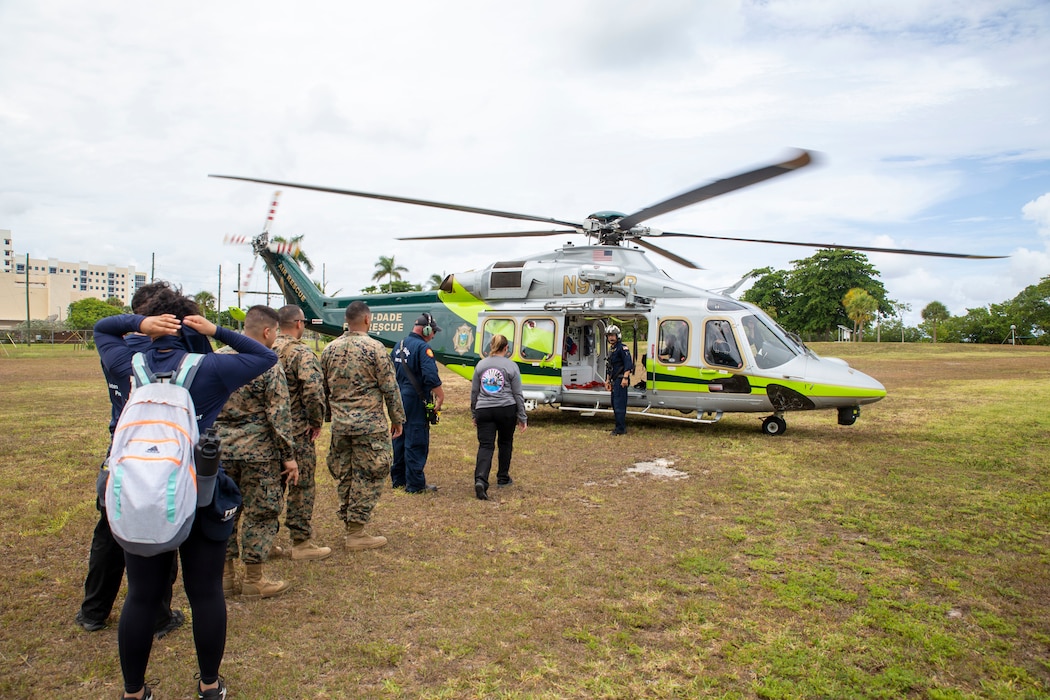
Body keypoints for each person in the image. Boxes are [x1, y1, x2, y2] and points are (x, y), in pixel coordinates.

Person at [95, 285, 278, 700]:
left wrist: (136, 324)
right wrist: (217, 330)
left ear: (153, 325)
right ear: (189, 324)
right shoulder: (210, 369)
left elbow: (103, 329)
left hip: (142, 489)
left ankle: (134, 692)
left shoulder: (126, 363)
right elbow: (265, 356)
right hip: (200, 489)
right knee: (206, 592)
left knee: (141, 596)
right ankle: (209, 685)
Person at [76, 282, 200, 638]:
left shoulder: (118, 351)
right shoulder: (161, 355)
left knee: (109, 531)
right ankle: (159, 615)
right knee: (161, 530)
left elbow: (105, 326)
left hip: (122, 448)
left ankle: (93, 610)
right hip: (162, 451)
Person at [213, 305, 300, 599]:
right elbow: (279, 414)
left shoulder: (215, 359)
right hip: (258, 453)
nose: (276, 337)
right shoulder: (266, 362)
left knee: (223, 512)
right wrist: (288, 456)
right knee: (261, 514)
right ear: (267, 331)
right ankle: (253, 579)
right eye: (275, 331)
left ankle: (223, 578)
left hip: (219, 451)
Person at [322, 301, 406, 550]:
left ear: (347, 321)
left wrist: (329, 417)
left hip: (341, 425)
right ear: (367, 320)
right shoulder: (375, 349)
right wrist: (397, 418)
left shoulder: (329, 349)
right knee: (370, 474)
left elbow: (322, 390)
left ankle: (350, 524)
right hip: (369, 426)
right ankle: (356, 532)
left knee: (345, 474)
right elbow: (390, 387)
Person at [269, 305, 330, 561]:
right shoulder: (300, 352)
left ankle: (266, 540)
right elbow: (314, 390)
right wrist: (317, 421)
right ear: (298, 324)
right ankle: (301, 541)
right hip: (296, 431)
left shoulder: (263, 347)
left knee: (270, 486)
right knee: (301, 485)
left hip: (267, 431)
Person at [390, 312, 445, 493]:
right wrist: (440, 395)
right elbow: (430, 375)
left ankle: (398, 479)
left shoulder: (398, 345)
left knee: (399, 437)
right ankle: (414, 484)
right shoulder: (423, 348)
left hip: (398, 398)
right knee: (416, 439)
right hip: (415, 399)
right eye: (433, 331)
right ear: (426, 329)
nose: (434, 335)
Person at [470, 334, 527, 500]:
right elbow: (517, 393)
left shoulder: (481, 365)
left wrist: (474, 413)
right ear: (506, 348)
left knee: (486, 446)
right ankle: (503, 477)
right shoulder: (512, 366)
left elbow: (474, 392)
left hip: (484, 409)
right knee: (505, 443)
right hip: (506, 409)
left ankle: (481, 479)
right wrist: (522, 416)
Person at [604, 324, 633, 436]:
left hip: (621, 380)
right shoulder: (612, 349)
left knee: (619, 404)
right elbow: (609, 366)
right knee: (614, 404)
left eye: (612, 335)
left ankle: (620, 428)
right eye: (609, 335)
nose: (611, 338)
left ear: (617, 336)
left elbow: (628, 364)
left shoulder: (622, 348)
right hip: (614, 380)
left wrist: (625, 378)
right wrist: (607, 380)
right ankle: (618, 426)